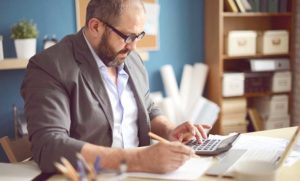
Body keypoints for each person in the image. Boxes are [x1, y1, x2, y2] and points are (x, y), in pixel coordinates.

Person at [21, 0, 211, 174]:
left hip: (140, 175)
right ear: (95, 26)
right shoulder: (49, 66)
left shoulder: (131, 59)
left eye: (138, 36)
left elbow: (148, 108)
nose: (134, 47)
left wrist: (169, 130)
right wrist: (138, 159)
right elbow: (49, 146)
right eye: (127, 37)